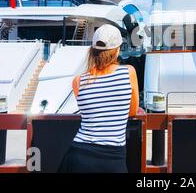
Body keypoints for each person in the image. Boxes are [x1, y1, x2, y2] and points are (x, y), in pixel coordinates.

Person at [59, 24, 139, 173]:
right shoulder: (129, 72)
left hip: (78, 155)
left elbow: (90, 113)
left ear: (92, 51)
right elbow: (132, 111)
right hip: (112, 158)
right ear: (117, 51)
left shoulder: (78, 81)